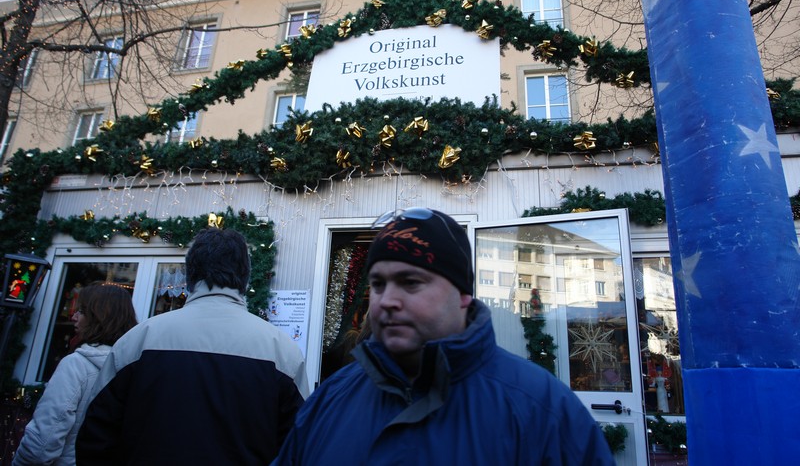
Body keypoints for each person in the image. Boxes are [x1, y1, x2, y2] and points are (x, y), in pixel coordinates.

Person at [273, 208, 615, 465]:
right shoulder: (330, 399)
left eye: (410, 282)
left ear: (463, 294)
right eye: (377, 284)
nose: (387, 300)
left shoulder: (543, 410)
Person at [77, 228, 309, 465]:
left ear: (189, 274)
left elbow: (95, 436)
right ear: (245, 276)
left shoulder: (138, 340)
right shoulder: (281, 351)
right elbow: (300, 445)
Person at [13, 282, 137, 466]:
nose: (74, 317)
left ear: (98, 318)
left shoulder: (76, 365)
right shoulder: (133, 367)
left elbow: (41, 445)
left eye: (82, 311)